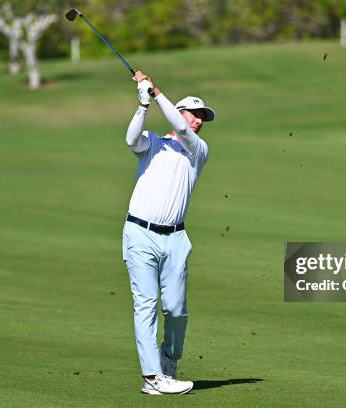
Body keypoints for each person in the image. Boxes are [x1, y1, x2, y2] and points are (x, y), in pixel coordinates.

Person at [122, 70, 215, 395]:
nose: (199, 121)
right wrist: (143, 104)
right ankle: (152, 377)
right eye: (195, 115)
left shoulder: (197, 150)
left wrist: (157, 91)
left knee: (176, 309)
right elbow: (131, 140)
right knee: (145, 304)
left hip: (175, 239)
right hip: (139, 234)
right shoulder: (154, 144)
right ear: (181, 111)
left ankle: (169, 362)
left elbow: (180, 129)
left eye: (203, 118)